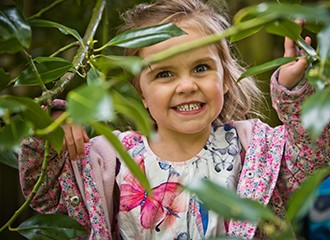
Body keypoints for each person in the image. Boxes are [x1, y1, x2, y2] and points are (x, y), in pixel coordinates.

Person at [18, 0, 329, 239]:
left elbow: (311, 160)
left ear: (224, 78)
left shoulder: (255, 149)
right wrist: (51, 129)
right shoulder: (108, 159)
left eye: (201, 68)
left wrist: (294, 91)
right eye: (165, 74)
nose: (187, 85)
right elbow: (45, 196)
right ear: (141, 93)